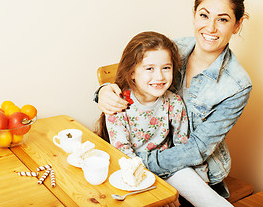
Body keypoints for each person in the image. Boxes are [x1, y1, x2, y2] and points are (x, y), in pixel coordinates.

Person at [94, 0, 252, 205]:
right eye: (204, 15)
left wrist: (150, 174)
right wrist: (103, 91)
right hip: (135, 165)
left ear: (237, 25)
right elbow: (131, 72)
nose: (211, 27)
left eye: (223, 19)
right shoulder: (170, 49)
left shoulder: (237, 85)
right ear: (194, 15)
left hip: (194, 166)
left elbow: (194, 149)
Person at [97, 31, 233, 206]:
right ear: (132, 72)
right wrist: (161, 192)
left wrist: (198, 183)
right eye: (149, 68)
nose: (159, 77)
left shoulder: (174, 102)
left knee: (209, 199)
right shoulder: (118, 105)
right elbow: (125, 157)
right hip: (132, 175)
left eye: (166, 68)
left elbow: (183, 147)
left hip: (171, 168)